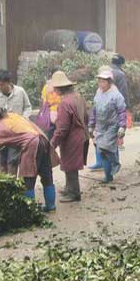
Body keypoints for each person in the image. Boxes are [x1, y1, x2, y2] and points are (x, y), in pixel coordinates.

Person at [0, 104, 59, 213]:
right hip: (42, 139)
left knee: (28, 179)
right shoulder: (11, 116)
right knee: (46, 176)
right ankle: (51, 207)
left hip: (32, 144)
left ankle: (29, 212)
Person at [49, 71, 89, 203]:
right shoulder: (78, 97)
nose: (54, 90)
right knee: (68, 164)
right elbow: (86, 117)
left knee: (71, 166)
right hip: (81, 135)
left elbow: (62, 128)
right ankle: (68, 188)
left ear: (60, 88)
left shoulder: (64, 103)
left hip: (72, 138)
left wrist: (52, 143)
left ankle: (74, 193)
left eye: (55, 88)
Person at [0, 69, 33, 176]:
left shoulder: (20, 92)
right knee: (2, 162)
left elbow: (27, 107)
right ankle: (4, 184)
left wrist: (23, 120)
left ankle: (12, 185)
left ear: (8, 82)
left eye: (1, 85)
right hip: (0, 134)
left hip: (16, 133)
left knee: (13, 161)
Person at [89, 69, 127, 183]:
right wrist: (91, 124)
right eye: (99, 81)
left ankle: (115, 163)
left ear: (109, 82)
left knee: (106, 148)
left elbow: (122, 112)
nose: (100, 84)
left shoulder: (116, 95)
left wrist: (122, 126)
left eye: (103, 81)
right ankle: (108, 176)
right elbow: (94, 110)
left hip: (112, 125)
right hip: (100, 125)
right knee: (101, 151)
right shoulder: (98, 93)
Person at [38, 66, 63, 138]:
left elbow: (43, 102)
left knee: (50, 141)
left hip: (49, 117)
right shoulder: (63, 86)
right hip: (61, 116)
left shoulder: (46, 87)